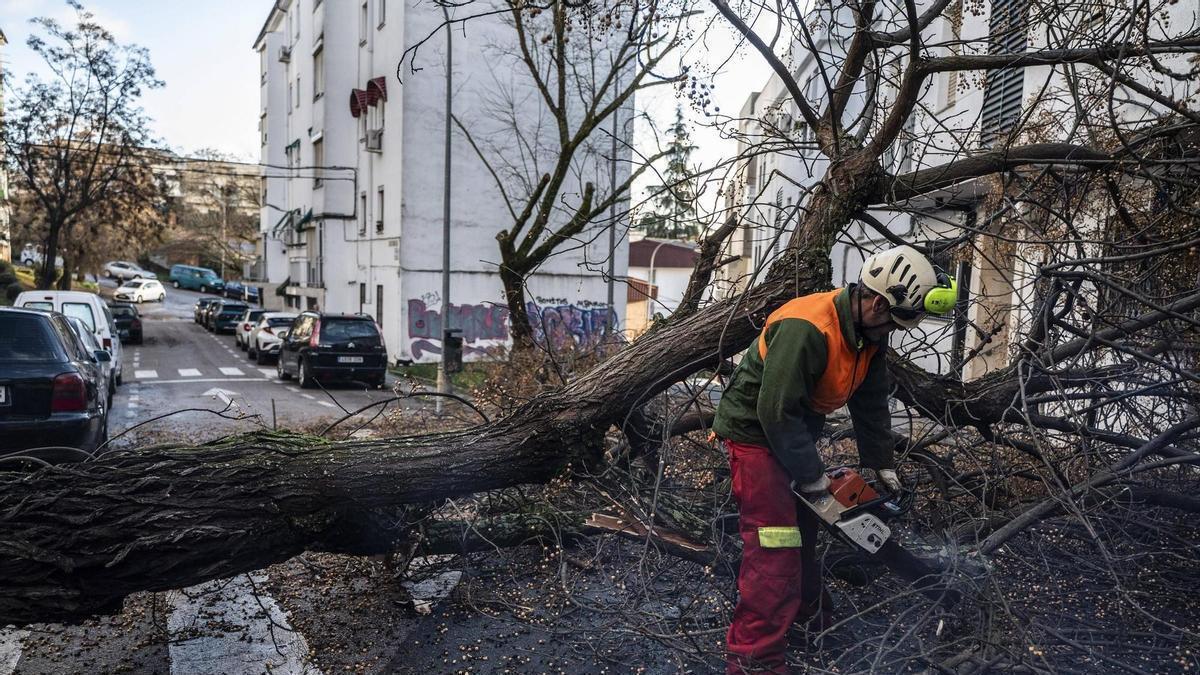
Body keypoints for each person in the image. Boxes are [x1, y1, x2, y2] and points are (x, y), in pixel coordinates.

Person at [712, 245, 957, 673]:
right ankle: (754, 659)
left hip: (795, 434)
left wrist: (880, 463)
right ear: (879, 302)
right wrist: (811, 476)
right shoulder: (807, 326)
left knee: (804, 536)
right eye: (894, 322)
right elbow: (774, 411)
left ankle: (808, 621)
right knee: (776, 546)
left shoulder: (868, 333)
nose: (892, 332)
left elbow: (871, 399)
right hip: (755, 436)